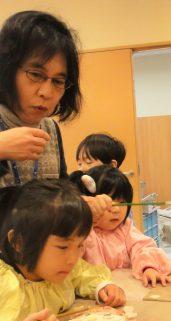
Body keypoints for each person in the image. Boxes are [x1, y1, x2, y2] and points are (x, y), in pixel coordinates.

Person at [0, 10, 112, 220]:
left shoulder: (50, 128)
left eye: (58, 81)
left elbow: (57, 186)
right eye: (35, 74)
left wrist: (76, 200)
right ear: (7, 70)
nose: (47, 92)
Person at [0, 179, 126, 321]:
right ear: (19, 242)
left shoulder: (61, 266)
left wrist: (103, 286)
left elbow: (83, 273)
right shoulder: (4, 282)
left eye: (80, 245)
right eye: (63, 247)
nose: (73, 259)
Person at [70, 165, 171, 287]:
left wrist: (148, 268)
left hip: (127, 292)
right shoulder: (83, 231)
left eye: (122, 202)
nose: (117, 210)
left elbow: (142, 247)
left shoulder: (125, 227)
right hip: (92, 293)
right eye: (109, 202)